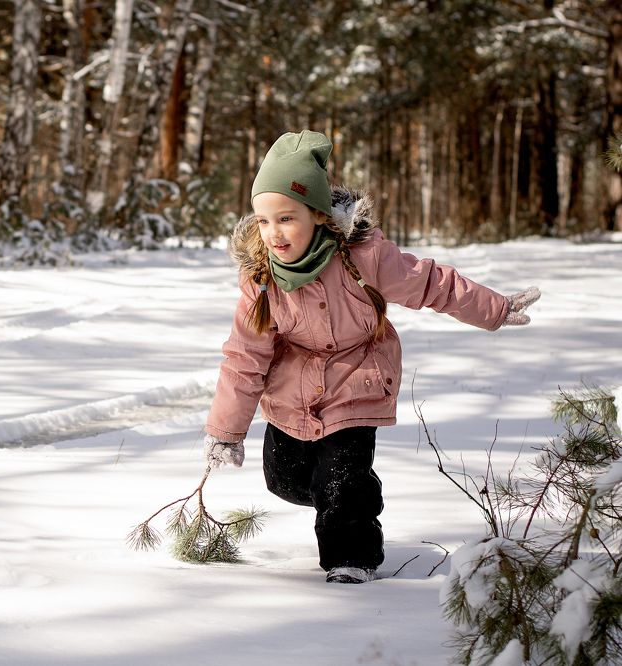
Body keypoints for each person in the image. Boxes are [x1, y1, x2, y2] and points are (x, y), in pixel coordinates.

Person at [202, 130, 540, 584]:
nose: (273, 233)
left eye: (286, 218)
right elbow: (244, 356)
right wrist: (226, 431)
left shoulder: (364, 257)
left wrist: (494, 308)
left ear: (319, 215)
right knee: (283, 479)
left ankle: (350, 559)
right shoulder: (260, 281)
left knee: (340, 478)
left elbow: (432, 283)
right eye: (263, 221)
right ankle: (349, 494)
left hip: (358, 377)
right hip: (292, 392)